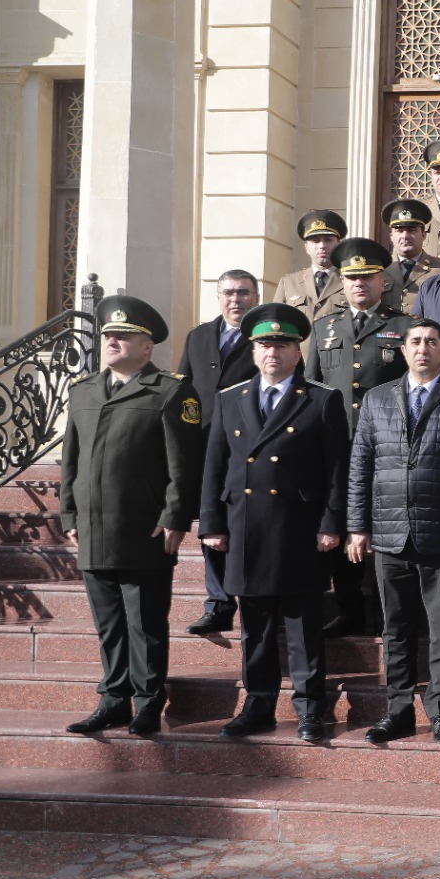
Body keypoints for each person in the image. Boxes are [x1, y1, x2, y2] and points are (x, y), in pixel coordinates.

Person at [198, 303, 349, 743]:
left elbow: (337, 469)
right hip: (244, 526)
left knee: (304, 628)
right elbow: (214, 467)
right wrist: (212, 522)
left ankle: (308, 709)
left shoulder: (322, 400)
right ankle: (258, 705)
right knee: (256, 629)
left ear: (298, 352)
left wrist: (331, 522)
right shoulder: (229, 400)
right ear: (252, 349)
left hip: (300, 528)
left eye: (282, 345)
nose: (273, 353)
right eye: (265, 345)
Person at [62, 297, 203, 736]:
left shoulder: (171, 390)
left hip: (146, 527)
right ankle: (113, 699)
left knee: (144, 622)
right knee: (108, 623)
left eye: (123, 336)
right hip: (94, 528)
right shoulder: (83, 391)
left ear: (148, 346)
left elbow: (184, 464)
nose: (112, 341)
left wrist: (176, 517)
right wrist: (69, 514)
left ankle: (148, 700)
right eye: (107, 336)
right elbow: (72, 460)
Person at [348, 319, 440, 746]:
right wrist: (356, 526)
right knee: (396, 628)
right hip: (389, 532)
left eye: (431, 343)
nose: (423, 349)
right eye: (415, 342)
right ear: (403, 351)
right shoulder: (375, 399)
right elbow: (360, 467)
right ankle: (398, 710)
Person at [307, 237, 417, 636]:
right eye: (351, 277)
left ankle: (391, 612)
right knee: (340, 520)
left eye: (367, 277)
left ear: (382, 281)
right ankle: (350, 607)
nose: (359, 284)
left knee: (387, 524)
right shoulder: (324, 328)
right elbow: (311, 388)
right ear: (341, 280)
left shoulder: (404, 327)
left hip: (387, 444)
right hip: (336, 445)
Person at [178, 270, 259, 636]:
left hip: (250, 448)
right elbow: (182, 390)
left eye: (243, 292)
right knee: (211, 524)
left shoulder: (267, 337)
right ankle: (218, 604)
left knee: (246, 525)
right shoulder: (198, 336)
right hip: (205, 448)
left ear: (255, 297)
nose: (235, 299)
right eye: (228, 292)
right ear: (218, 296)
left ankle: (253, 600)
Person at [272, 209, 348, 320]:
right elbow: (275, 322)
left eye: (328, 240)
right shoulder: (288, 283)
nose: (322, 245)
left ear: (339, 244)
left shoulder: (352, 280)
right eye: (315, 241)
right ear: (307, 247)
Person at [380, 198, 440, 315]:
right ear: (391, 236)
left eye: (412, 230)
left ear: (423, 235)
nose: (405, 236)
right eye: (399, 230)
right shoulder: (379, 269)